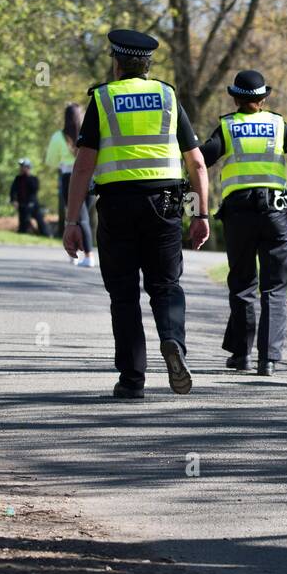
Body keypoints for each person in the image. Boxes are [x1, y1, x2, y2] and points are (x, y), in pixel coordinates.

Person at [63, 29, 211, 398]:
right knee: (165, 286)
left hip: (116, 206)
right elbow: (197, 163)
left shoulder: (103, 98)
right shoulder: (167, 96)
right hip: (164, 205)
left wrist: (70, 221)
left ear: (116, 62)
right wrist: (201, 214)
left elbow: (82, 167)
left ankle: (132, 380)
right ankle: (173, 340)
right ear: (147, 64)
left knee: (124, 294)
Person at [199, 70, 287, 375]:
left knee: (241, 284)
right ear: (264, 98)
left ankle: (242, 355)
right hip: (275, 213)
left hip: (239, 214)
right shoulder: (277, 125)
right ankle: (268, 358)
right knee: (274, 287)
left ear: (235, 97)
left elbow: (203, 157)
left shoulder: (227, 126)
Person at [46, 103, 93, 244]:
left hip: (69, 177)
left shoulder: (58, 137)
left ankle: (87, 254)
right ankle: (82, 251)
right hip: (91, 178)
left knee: (78, 217)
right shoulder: (90, 133)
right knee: (84, 217)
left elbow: (51, 161)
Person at [10, 159, 48, 235]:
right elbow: (13, 190)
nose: (21, 168)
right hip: (22, 204)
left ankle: (45, 234)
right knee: (23, 221)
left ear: (28, 167)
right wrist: (14, 200)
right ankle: (23, 232)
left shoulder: (33, 179)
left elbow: (34, 190)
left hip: (32, 204)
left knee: (40, 220)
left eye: (23, 167)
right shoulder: (18, 179)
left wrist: (28, 175)